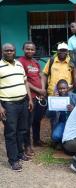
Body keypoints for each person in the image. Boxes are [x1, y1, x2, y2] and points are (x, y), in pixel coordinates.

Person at [0, 43, 33, 171]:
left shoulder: (19, 64)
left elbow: (25, 82)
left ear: (15, 51)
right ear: (2, 52)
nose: (9, 52)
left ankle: (20, 154)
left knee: (22, 130)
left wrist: (29, 99)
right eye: (7, 50)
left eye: (12, 50)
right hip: (8, 105)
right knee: (11, 133)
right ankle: (13, 160)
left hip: (23, 102)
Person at [18, 42, 47, 156]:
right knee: (27, 122)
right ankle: (27, 146)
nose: (29, 51)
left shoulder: (35, 62)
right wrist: (38, 90)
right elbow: (24, 81)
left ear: (35, 51)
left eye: (32, 49)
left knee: (37, 120)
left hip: (40, 96)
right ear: (23, 49)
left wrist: (43, 89)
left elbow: (41, 75)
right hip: (30, 97)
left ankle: (36, 140)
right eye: (27, 49)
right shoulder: (20, 62)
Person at [51, 79, 76, 146]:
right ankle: (62, 141)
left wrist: (74, 109)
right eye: (60, 89)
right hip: (63, 122)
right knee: (55, 136)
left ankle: (66, 142)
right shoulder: (55, 98)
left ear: (67, 88)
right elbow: (48, 115)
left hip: (74, 123)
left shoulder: (75, 96)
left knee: (73, 137)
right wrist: (53, 101)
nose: (62, 90)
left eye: (64, 88)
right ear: (57, 89)